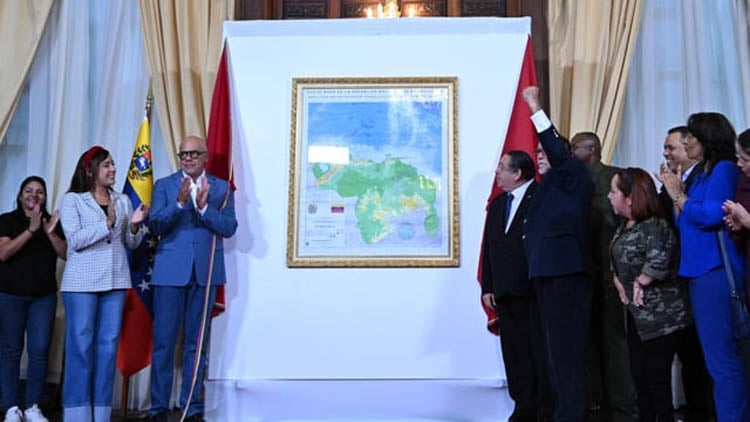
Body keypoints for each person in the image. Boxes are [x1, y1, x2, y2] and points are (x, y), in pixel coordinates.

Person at [658, 113, 749, 420]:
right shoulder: (700, 173)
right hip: (698, 271)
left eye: (692, 137)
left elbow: (710, 214)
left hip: (715, 271)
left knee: (722, 360)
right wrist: (677, 193)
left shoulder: (723, 168)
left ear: (707, 139)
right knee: (716, 360)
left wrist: (679, 195)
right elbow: (683, 219)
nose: (686, 142)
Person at [148, 136, 238, 422]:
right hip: (169, 274)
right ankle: (158, 408)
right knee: (164, 343)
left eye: (193, 153)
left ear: (205, 156)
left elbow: (229, 227)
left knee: (196, 345)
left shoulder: (221, 188)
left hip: (205, 273)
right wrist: (179, 204)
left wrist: (203, 209)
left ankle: (192, 407)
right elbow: (154, 225)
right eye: (183, 154)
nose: (187, 158)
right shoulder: (164, 185)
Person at [521, 86, 594, 422]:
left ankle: (572, 416)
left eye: (543, 151)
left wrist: (535, 106)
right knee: (554, 353)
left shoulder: (573, 174)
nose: (538, 156)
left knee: (567, 352)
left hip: (566, 272)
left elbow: (556, 149)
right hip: (547, 273)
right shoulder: (549, 185)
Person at [59, 146, 147, 422]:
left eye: (113, 164)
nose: (113, 169)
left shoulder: (122, 200)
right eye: (106, 165)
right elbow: (75, 240)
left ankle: (101, 414)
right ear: (91, 170)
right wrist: (107, 223)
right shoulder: (73, 200)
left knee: (108, 349)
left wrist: (134, 226)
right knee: (81, 348)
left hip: (115, 281)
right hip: (81, 284)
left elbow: (130, 243)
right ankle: (77, 415)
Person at [608, 167, 691, 421]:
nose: (609, 197)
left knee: (657, 382)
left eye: (613, 192)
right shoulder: (624, 226)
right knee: (640, 379)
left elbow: (658, 261)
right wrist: (618, 281)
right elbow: (616, 258)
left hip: (663, 319)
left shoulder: (655, 226)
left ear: (629, 198)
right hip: (637, 317)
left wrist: (640, 282)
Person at [480, 150, 552, 421]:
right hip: (505, 293)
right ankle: (523, 407)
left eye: (502, 167)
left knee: (539, 353)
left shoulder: (541, 198)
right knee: (514, 354)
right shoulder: (499, 204)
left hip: (534, 292)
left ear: (518, 173)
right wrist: (488, 286)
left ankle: (544, 409)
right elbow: (490, 248)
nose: (497, 172)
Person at [571, 131, 637, 421]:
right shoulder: (572, 181)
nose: (571, 152)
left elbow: (626, 221)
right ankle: (595, 400)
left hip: (612, 272)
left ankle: (623, 406)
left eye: (575, 147)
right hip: (582, 272)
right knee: (587, 340)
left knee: (614, 341)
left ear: (592, 149)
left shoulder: (614, 177)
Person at [658, 126, 714, 421]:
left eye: (672, 147)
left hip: (702, 272)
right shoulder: (671, 181)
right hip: (677, 277)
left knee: (700, 352)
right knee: (687, 351)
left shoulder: (705, 178)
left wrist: (677, 194)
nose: (666, 153)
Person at [0, 176, 66, 422]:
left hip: (43, 298)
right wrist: (31, 230)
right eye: (29, 191)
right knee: (10, 351)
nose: (34, 195)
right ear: (20, 195)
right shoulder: (7, 220)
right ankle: (11, 407)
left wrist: (49, 233)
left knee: (39, 351)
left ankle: (32, 406)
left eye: (39, 192)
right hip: (11, 295)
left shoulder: (53, 223)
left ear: (45, 197)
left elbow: (66, 253)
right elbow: (3, 253)